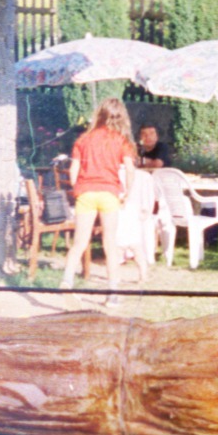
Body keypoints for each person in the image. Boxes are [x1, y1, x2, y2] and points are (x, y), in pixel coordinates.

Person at [60, 98, 137, 296]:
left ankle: (67, 280)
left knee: (79, 242)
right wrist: (128, 191)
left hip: (86, 192)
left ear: (99, 115)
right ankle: (112, 293)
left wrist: (77, 188)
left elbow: (73, 169)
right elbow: (129, 169)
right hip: (109, 193)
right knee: (110, 243)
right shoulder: (122, 140)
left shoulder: (83, 139)